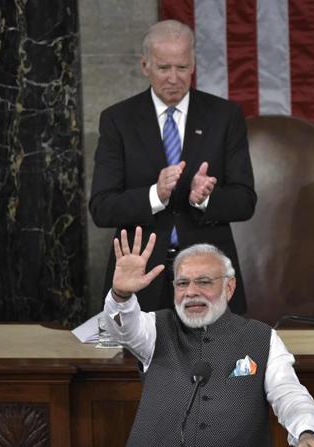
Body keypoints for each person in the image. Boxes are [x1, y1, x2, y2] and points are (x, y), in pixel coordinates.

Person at [102, 226, 314, 447]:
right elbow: (122, 329)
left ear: (229, 287)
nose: (191, 292)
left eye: (203, 282)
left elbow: (289, 394)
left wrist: (306, 432)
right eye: (182, 283)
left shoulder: (261, 337)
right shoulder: (155, 328)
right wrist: (122, 295)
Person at [89, 20, 255, 315]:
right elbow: (102, 208)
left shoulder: (225, 116)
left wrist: (204, 199)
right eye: (164, 68)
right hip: (141, 277)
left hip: (209, 275)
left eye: (182, 67)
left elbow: (245, 201)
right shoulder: (118, 120)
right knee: (137, 361)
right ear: (145, 66)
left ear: (193, 66)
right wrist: (156, 195)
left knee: (220, 360)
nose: (174, 78)